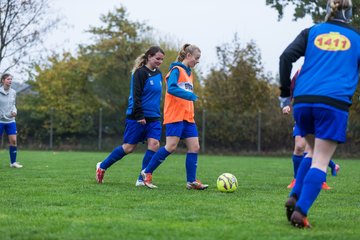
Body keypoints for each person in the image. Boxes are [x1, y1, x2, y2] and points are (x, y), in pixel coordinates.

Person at [279, 0, 359, 228]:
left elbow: (285, 57)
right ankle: (301, 211)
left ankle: (295, 195)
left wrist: (285, 95)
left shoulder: (312, 32)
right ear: (349, 11)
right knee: (321, 161)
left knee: (312, 152)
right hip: (333, 102)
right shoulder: (356, 38)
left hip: (303, 102)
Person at [140, 43, 208, 190]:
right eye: (196, 58)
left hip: (188, 117)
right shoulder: (176, 70)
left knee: (195, 147)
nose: (198, 61)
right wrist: (189, 95)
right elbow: (171, 88)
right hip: (175, 116)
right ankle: (147, 172)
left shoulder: (190, 74)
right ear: (188, 56)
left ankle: (191, 181)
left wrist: (189, 99)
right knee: (170, 147)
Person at [96, 46, 165, 185]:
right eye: (158, 58)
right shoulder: (140, 73)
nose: (160, 62)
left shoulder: (158, 73)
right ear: (149, 57)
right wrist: (139, 115)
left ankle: (142, 179)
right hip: (137, 116)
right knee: (129, 148)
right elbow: (136, 96)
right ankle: (102, 166)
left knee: (154, 144)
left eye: (162, 59)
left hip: (154, 117)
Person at [0, 73, 22, 168]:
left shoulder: (13, 92)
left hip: (11, 121)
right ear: (3, 81)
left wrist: (14, 111)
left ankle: (13, 163)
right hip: (0, 121)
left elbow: (13, 104)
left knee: (13, 141)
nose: (10, 81)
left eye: (11, 79)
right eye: (8, 79)